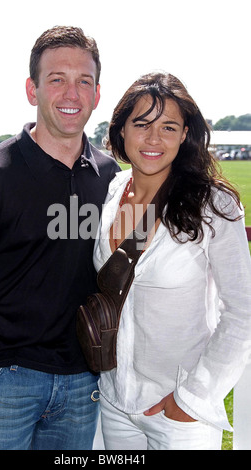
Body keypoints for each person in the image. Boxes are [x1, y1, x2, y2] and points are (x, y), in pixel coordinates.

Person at [0, 26, 120, 450]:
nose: (71, 93)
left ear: (97, 94)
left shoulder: (112, 180)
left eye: (84, 81)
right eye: (57, 79)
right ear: (33, 90)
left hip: (82, 385)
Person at [93, 72, 251, 450]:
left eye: (168, 127)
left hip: (178, 414)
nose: (153, 139)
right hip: (115, 402)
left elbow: (242, 311)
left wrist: (191, 399)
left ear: (184, 135)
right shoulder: (112, 191)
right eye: (142, 124)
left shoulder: (214, 205)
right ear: (122, 131)